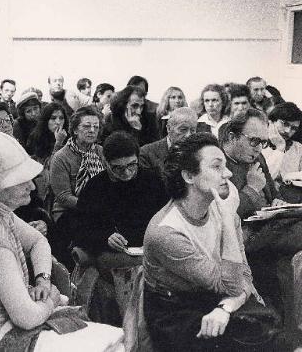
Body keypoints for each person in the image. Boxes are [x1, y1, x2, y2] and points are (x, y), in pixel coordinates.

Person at [0, 131, 124, 352]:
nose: (32, 187)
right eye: (22, 180)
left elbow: (38, 241)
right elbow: (25, 317)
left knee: (109, 340)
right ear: (0, 186)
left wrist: (43, 281)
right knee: (112, 343)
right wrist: (52, 298)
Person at [143, 133, 300, 351]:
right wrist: (228, 220)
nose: (227, 173)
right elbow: (233, 284)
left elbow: (244, 273)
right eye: (217, 167)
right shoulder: (166, 232)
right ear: (189, 176)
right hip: (176, 313)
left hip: (218, 299)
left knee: (279, 338)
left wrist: (226, 307)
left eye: (225, 165)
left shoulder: (221, 207)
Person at [73, 131, 169, 325]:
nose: (126, 173)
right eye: (117, 168)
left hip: (150, 248)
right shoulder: (95, 187)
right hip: (113, 254)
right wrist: (105, 237)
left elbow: (169, 216)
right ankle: (133, 327)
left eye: (131, 165)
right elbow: (79, 229)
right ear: (105, 162)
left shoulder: (152, 181)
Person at [221, 108, 302, 330]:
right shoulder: (219, 165)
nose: (258, 149)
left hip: (268, 226)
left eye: (263, 143)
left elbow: (271, 192)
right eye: (253, 141)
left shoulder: (256, 155)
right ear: (231, 136)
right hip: (243, 238)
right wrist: (251, 189)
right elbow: (225, 217)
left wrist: (276, 201)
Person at [50, 107, 104, 221]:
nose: (92, 130)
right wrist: (92, 207)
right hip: (67, 212)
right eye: (86, 126)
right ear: (75, 130)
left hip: (99, 209)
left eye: (96, 127)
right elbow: (63, 197)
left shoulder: (102, 152)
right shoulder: (60, 157)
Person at [140, 107, 198, 177]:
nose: (188, 135)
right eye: (183, 129)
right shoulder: (147, 153)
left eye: (192, 130)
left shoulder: (199, 152)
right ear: (169, 128)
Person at [263, 102, 302, 203]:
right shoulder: (259, 145)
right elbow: (264, 180)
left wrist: (290, 176)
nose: (288, 131)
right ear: (272, 121)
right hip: (267, 201)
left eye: (294, 128)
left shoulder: (298, 148)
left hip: (294, 201)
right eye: (285, 124)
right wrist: (280, 148)